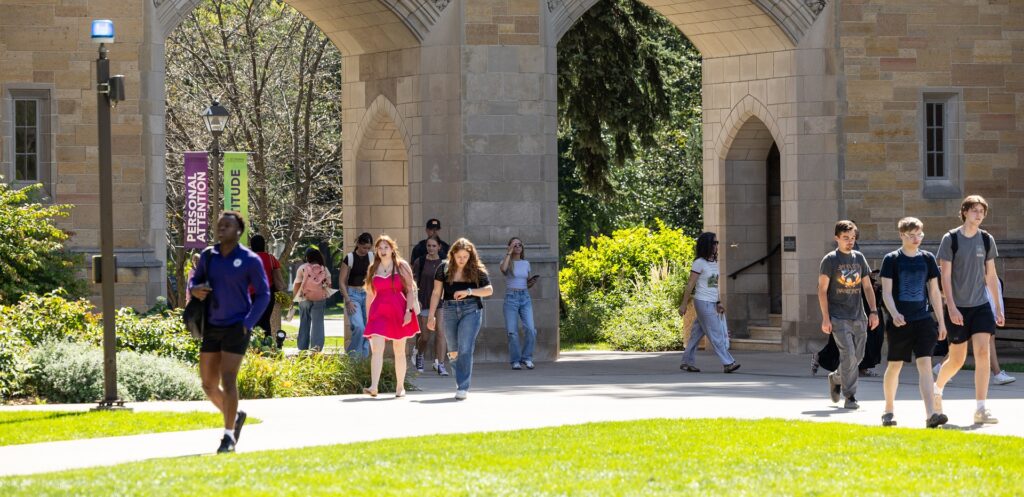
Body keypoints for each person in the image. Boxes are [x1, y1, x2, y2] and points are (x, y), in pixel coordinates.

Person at [189, 211, 270, 454]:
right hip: (212, 325)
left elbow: (264, 294)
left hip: (237, 325)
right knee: (208, 384)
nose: (222, 228)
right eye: (219, 225)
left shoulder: (249, 259)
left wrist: (248, 322)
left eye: (227, 225)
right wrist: (195, 290)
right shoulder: (208, 256)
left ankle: (228, 437)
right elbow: (196, 281)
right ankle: (235, 416)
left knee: (228, 378)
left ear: (238, 231)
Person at [934, 195, 1004, 424]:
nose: (979, 215)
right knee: (956, 360)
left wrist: (997, 307)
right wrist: (951, 307)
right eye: (974, 210)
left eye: (982, 211)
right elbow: (944, 276)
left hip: (981, 306)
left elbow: (990, 275)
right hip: (958, 307)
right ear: (964, 212)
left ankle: (981, 408)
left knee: (983, 352)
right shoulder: (951, 239)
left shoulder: (986, 240)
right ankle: (937, 389)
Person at [878, 217, 948, 428]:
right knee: (894, 366)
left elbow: (935, 292)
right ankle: (888, 411)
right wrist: (894, 313)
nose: (916, 239)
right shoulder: (891, 259)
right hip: (900, 323)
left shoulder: (927, 259)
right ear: (902, 235)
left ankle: (930, 415)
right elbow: (887, 293)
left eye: (919, 234)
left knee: (925, 365)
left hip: (923, 320)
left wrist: (941, 322)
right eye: (911, 235)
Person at [818, 220, 880, 410]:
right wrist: (826, 318)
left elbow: (868, 287)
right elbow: (822, 290)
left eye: (853, 238)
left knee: (858, 357)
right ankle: (850, 396)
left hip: (858, 315)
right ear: (837, 238)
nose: (850, 241)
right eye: (846, 238)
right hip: (838, 316)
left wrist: (874, 311)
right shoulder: (830, 260)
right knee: (848, 355)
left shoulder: (859, 258)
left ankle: (836, 377)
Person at [427, 238, 494, 400]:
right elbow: (436, 293)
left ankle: (463, 386)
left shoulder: (477, 270)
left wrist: (469, 291)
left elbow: (489, 290)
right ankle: (460, 379)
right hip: (449, 309)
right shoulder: (443, 268)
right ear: (453, 255)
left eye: (465, 256)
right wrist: (431, 316)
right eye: (459, 257)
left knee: (465, 348)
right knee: (454, 350)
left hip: (471, 309)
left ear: (470, 256)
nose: (462, 260)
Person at [362, 235, 420, 398]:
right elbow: (369, 294)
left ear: (392, 249)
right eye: (380, 248)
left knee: (399, 350)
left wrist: (408, 311)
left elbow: (409, 290)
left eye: (386, 247)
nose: (382, 250)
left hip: (399, 310)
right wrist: (368, 318)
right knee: (377, 349)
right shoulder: (373, 268)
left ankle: (400, 387)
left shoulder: (401, 266)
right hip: (378, 312)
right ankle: (374, 386)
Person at [677, 232, 741, 374]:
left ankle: (687, 362)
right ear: (706, 245)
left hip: (711, 302)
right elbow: (690, 284)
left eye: (717, 243)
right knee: (716, 332)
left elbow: (714, 285)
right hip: (702, 301)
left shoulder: (713, 263)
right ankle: (728, 362)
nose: (716, 245)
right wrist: (683, 304)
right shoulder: (699, 263)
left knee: (696, 334)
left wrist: (718, 302)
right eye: (714, 243)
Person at [500, 237, 539, 370]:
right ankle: (515, 360)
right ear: (510, 247)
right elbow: (503, 269)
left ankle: (527, 358)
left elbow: (527, 282)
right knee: (512, 332)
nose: (517, 247)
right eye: (514, 245)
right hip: (511, 298)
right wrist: (509, 252)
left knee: (531, 330)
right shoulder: (507, 261)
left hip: (524, 297)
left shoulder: (526, 263)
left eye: (519, 245)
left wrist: (532, 282)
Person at [411, 236, 448, 376]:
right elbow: (413, 282)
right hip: (424, 301)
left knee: (440, 332)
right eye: (429, 245)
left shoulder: (444, 263)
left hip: (441, 302)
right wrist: (415, 299)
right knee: (425, 336)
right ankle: (419, 354)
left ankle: (440, 363)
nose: (431, 248)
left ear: (439, 247)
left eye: (433, 246)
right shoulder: (419, 262)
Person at [339, 232, 373, 358]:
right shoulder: (349, 258)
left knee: (368, 329)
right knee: (359, 327)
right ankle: (352, 358)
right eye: (364, 247)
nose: (366, 250)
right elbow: (341, 282)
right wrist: (347, 300)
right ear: (358, 244)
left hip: (368, 294)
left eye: (369, 248)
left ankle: (363, 361)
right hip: (353, 295)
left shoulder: (372, 257)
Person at [292, 247, 331, 351]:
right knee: (318, 323)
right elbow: (328, 285)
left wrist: (294, 299)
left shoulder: (302, 268)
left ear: (307, 257)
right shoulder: (324, 269)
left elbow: (297, 285)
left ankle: (302, 347)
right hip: (319, 299)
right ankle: (316, 348)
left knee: (304, 321)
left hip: (304, 298)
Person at [249, 234, 283, 343]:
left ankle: (254, 346)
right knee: (265, 321)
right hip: (268, 295)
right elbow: (277, 275)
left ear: (252, 245)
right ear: (264, 245)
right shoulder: (271, 258)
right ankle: (267, 344)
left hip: (251, 295)